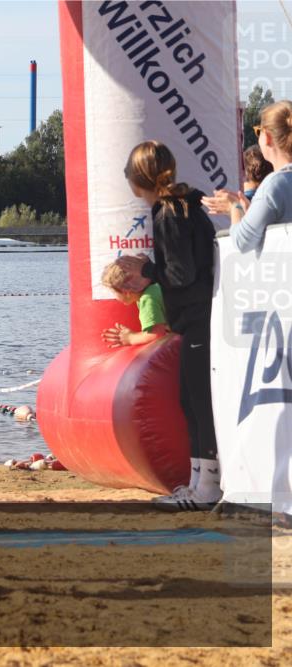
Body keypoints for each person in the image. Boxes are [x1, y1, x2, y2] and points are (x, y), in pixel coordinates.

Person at [116, 141, 220, 510]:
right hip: (200, 317)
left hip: (197, 319)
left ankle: (207, 488)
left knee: (198, 403)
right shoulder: (185, 205)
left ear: (136, 181)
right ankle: (197, 483)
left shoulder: (168, 212)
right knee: (189, 400)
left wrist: (145, 270)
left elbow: (180, 273)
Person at [202, 100, 292, 252]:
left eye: (258, 131)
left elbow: (243, 242)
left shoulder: (274, 184)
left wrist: (234, 208)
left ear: (268, 137)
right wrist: (251, 212)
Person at [99, 260, 168, 348]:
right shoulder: (155, 288)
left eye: (114, 293)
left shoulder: (147, 299)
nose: (115, 297)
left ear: (126, 291)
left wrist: (130, 338)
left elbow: (157, 335)